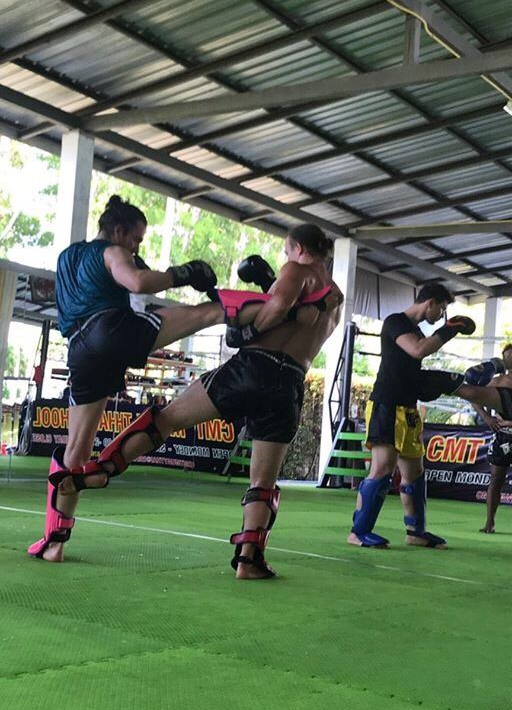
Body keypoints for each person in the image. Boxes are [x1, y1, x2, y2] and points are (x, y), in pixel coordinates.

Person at [33, 222, 343, 580]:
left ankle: (99, 470)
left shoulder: (297, 270)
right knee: (262, 483)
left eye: (287, 251)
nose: (286, 257)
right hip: (290, 384)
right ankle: (249, 561)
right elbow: (299, 318)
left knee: (166, 420)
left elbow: (277, 306)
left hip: (251, 368)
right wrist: (269, 287)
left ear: (299, 250)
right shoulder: (335, 298)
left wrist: (249, 330)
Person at [27, 194, 223, 560]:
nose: (136, 247)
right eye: (135, 239)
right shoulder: (112, 251)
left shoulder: (67, 257)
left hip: (80, 350)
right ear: (118, 231)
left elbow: (112, 279)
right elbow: (136, 281)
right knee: (209, 313)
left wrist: (142, 266)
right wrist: (182, 273)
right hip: (111, 330)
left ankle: (54, 542)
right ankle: (269, 314)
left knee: (76, 450)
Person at [350, 283, 476, 549]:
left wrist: (431, 383)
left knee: (415, 472)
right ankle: (358, 532)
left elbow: (411, 362)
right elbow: (418, 350)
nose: (440, 315)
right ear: (430, 302)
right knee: (382, 468)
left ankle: (415, 532)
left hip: (408, 409)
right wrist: (450, 329)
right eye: (441, 309)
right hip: (386, 405)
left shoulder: (416, 331)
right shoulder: (395, 322)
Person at [460, 344, 512, 533]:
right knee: (496, 478)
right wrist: (486, 417)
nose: (509, 359)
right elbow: (474, 395)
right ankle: (489, 522)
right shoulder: (498, 381)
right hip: (503, 436)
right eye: (506, 356)